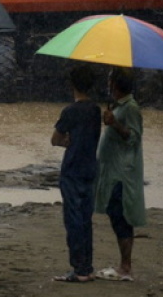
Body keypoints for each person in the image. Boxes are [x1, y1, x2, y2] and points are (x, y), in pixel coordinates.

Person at [50, 65, 101, 283]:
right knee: (86, 219)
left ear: (72, 85)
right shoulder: (96, 110)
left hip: (72, 170)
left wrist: (66, 142)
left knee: (73, 220)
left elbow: (55, 139)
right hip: (90, 169)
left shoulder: (70, 111)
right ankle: (87, 267)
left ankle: (79, 269)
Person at [93, 68, 145, 282]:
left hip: (122, 174)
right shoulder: (120, 106)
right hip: (114, 171)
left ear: (115, 85)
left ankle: (125, 267)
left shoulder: (131, 108)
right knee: (116, 216)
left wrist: (114, 123)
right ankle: (124, 265)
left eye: (110, 80)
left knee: (120, 217)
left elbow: (133, 137)